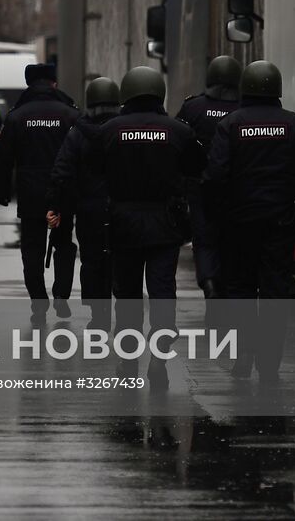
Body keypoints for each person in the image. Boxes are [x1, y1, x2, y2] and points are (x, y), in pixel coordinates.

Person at [204, 60, 295, 385]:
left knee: (240, 288)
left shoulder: (231, 125)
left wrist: (220, 214)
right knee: (275, 292)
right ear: (277, 89)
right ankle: (270, 363)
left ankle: (243, 352)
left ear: (245, 86)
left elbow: (216, 175)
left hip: (239, 222)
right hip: (280, 221)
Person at [77, 65, 204, 388]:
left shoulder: (108, 131)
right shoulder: (179, 131)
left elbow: (93, 167)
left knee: (128, 295)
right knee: (162, 292)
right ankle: (159, 358)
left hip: (123, 226)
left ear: (127, 93)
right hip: (165, 225)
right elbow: (196, 168)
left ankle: (128, 360)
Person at [0, 63, 80, 321]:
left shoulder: (17, 116)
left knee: (32, 248)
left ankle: (38, 301)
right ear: (54, 82)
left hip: (30, 192)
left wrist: (2, 190)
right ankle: (62, 295)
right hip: (64, 191)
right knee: (63, 243)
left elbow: (3, 157)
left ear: (29, 84)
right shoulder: (70, 114)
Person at [47, 75, 120, 330]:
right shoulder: (123, 131)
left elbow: (62, 172)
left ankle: (97, 315)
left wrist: (57, 207)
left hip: (88, 210)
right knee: (119, 260)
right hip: (121, 208)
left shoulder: (78, 133)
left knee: (91, 260)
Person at [175, 55, 244, 299]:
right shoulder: (243, 109)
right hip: (236, 188)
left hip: (199, 187)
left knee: (204, 240)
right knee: (231, 240)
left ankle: (210, 282)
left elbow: (177, 143)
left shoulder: (192, 107)